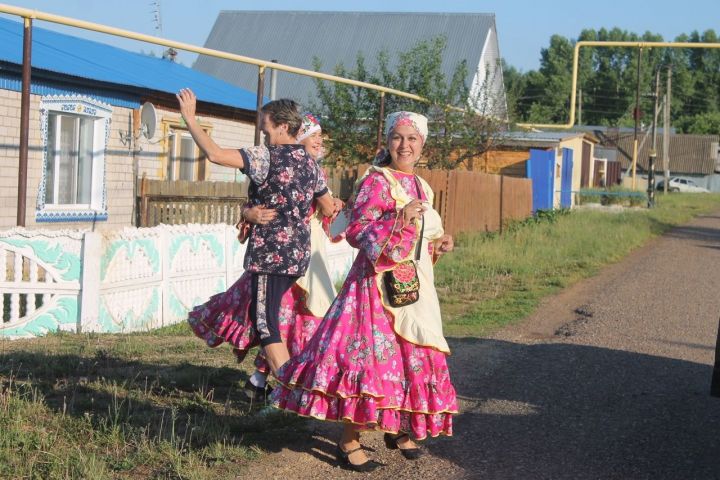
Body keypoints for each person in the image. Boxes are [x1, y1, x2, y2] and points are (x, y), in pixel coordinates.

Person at [271, 111, 457, 472]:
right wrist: (399, 220)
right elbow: (357, 230)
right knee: (370, 363)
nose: (404, 145)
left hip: (411, 288)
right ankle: (348, 440)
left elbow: (421, 239)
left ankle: (397, 427)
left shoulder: (421, 186)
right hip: (373, 289)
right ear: (387, 142)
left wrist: (439, 242)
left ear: (423, 145)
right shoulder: (377, 181)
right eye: (398, 137)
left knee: (411, 358)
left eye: (412, 139)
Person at [177, 89, 337, 382]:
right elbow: (327, 206)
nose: (263, 136)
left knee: (265, 324)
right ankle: (278, 383)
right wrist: (254, 211)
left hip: (270, 257)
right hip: (298, 257)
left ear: (283, 127)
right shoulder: (311, 164)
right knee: (272, 318)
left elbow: (214, 154)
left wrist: (189, 117)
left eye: (266, 130)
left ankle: (291, 391)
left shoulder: (266, 157)